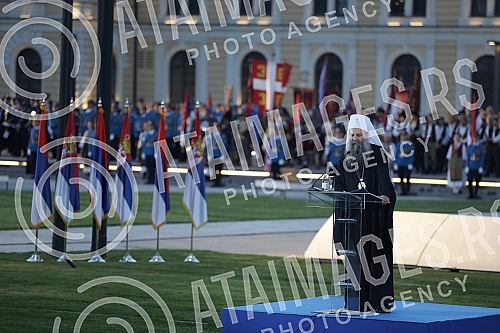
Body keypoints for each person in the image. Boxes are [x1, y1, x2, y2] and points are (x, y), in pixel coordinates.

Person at [333, 114, 396, 313]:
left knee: (374, 259)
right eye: (352, 135)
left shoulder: (378, 154)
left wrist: (385, 194)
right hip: (353, 220)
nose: (354, 139)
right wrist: (337, 189)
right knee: (355, 262)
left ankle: (377, 302)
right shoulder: (345, 159)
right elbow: (339, 183)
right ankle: (355, 303)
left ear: (366, 136)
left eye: (358, 136)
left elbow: (384, 180)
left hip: (372, 219)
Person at [465, 132, 486, 199]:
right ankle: (471, 194)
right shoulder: (470, 146)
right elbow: (468, 157)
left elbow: (482, 157)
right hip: (471, 165)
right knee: (469, 180)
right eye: (474, 137)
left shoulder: (481, 147)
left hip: (477, 165)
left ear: (478, 138)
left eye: (476, 137)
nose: (475, 138)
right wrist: (467, 166)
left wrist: (481, 166)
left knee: (477, 181)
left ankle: (475, 194)